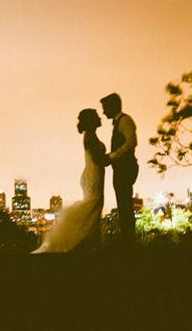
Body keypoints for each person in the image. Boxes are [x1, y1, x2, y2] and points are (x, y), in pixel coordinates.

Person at [33, 109, 107, 253]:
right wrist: (115, 156)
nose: (100, 117)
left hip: (94, 174)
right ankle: (89, 245)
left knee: (94, 209)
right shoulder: (90, 136)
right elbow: (99, 159)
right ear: (91, 121)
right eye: (96, 116)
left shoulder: (91, 135)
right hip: (94, 175)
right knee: (93, 207)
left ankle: (94, 245)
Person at [101, 93, 138, 246]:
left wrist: (113, 156)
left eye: (105, 108)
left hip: (125, 168)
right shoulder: (119, 122)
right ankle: (127, 239)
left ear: (112, 106)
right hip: (121, 169)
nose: (103, 112)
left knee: (125, 205)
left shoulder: (125, 121)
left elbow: (131, 142)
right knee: (123, 204)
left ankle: (128, 241)